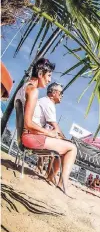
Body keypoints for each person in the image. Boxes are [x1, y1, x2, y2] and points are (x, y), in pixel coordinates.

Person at [15, 58, 77, 194]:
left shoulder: (25, 87)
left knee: (64, 145)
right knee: (72, 148)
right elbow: (28, 123)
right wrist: (49, 133)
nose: (49, 80)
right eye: (48, 75)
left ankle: (56, 179)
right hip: (29, 138)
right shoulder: (33, 90)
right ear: (41, 73)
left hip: (27, 136)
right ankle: (62, 183)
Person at [36, 82, 65, 176]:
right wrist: (64, 139)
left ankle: (46, 170)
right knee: (64, 145)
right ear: (53, 93)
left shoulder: (44, 101)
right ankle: (50, 175)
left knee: (56, 138)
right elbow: (55, 128)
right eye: (61, 93)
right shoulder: (48, 103)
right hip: (35, 137)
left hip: (35, 133)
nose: (62, 96)